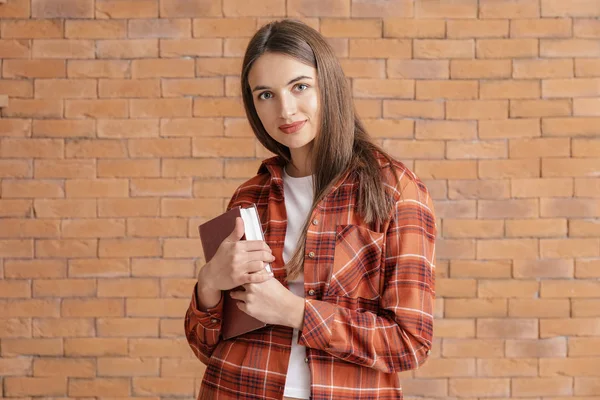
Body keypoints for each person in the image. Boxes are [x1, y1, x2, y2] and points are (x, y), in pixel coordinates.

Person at [185, 19, 436, 400]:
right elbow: (207, 347)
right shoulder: (250, 196)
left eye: (300, 86)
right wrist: (209, 284)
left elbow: (410, 342)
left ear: (328, 86)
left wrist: (296, 311)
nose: (285, 110)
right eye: (265, 95)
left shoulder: (394, 190)